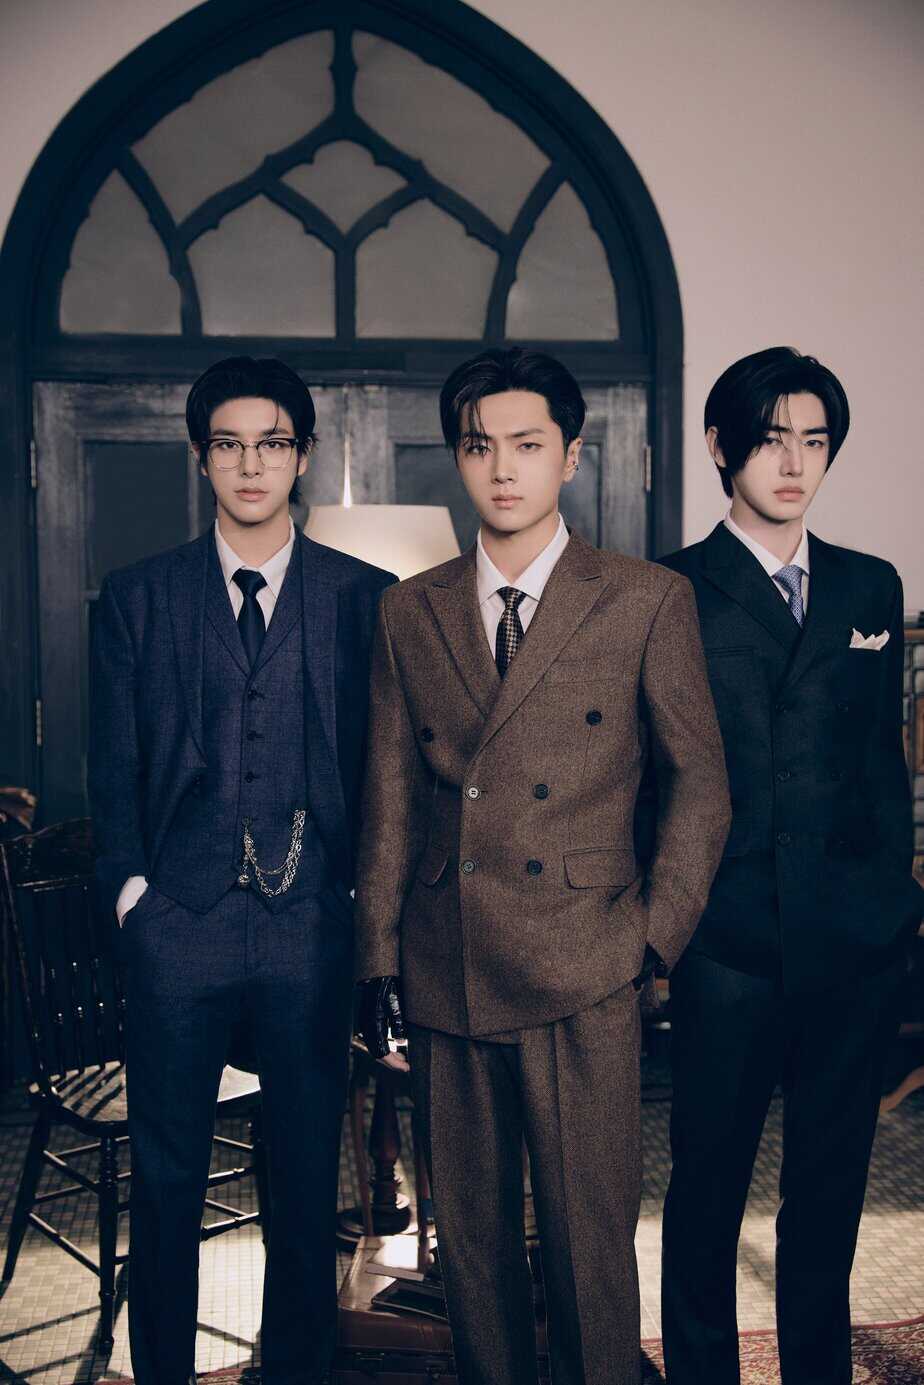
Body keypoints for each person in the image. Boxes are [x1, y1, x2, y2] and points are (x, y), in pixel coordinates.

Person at [353, 346, 730, 1385]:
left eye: (527, 444)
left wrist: (652, 937)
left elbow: (701, 782)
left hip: (586, 960)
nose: (503, 468)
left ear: (570, 455)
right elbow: (389, 797)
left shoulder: (645, 598)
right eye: (481, 446)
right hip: (450, 959)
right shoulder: (409, 609)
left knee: (587, 1244)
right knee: (471, 1249)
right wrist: (377, 954)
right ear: (459, 458)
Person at [88, 356, 395, 1385]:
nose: (251, 463)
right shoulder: (139, 597)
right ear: (201, 457)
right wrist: (134, 899)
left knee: (306, 1187)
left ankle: (296, 1370)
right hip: (178, 926)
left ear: (302, 455)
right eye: (229, 443)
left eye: (271, 443)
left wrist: (354, 901)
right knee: (167, 1184)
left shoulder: (364, 598)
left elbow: (385, 770)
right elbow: (112, 768)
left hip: (309, 926)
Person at [659, 346, 923, 1385]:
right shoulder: (668, 588)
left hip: (852, 947)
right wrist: (669, 929)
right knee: (706, 1191)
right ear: (721, 446)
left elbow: (883, 769)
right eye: (772, 439)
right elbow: (648, 775)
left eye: (814, 441)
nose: (794, 462)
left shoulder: (869, 584)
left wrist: (894, 910)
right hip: (726, 943)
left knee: (828, 1193)